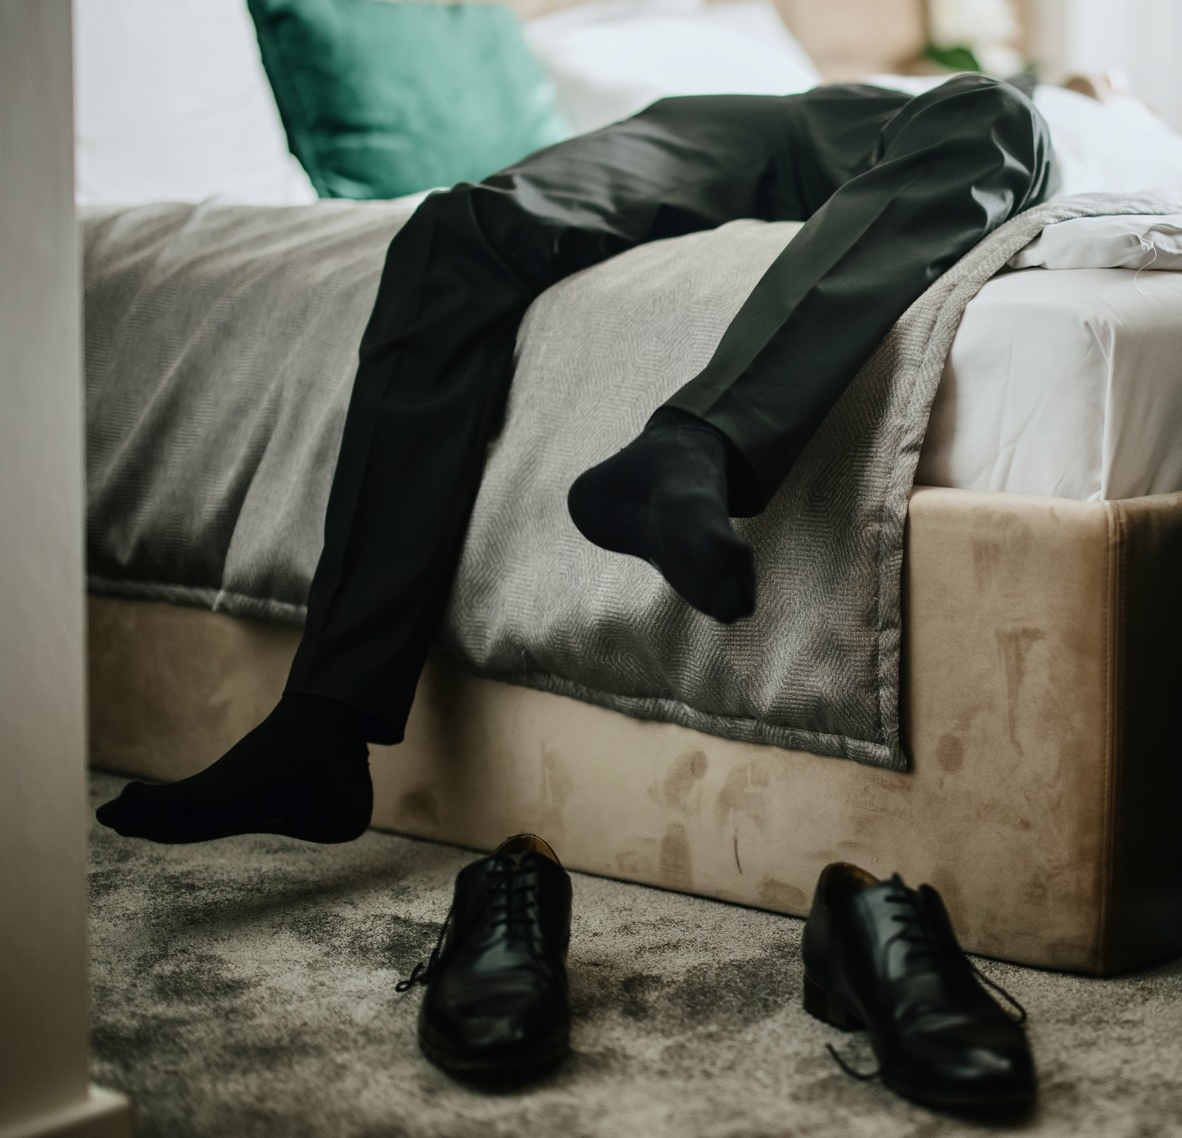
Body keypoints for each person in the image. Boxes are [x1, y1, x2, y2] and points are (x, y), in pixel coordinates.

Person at [95, 73, 1056, 846]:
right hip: (717, 121)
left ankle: (691, 448)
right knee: (453, 230)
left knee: (991, 111)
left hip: (896, 121)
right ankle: (321, 725)